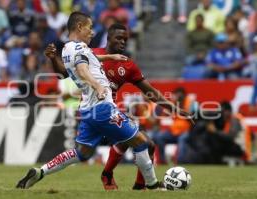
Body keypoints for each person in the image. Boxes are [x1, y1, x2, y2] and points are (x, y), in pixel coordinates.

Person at [16, 11, 172, 190]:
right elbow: (83, 69)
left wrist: (110, 57)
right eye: (89, 28)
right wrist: (98, 86)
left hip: (87, 110)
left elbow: (82, 61)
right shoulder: (81, 48)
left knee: (82, 153)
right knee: (141, 142)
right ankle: (153, 186)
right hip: (102, 108)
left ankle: (41, 171)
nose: (92, 32)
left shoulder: (68, 48)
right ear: (80, 27)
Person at [43, 23, 194, 190]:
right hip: (94, 111)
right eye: (119, 38)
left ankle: (132, 183)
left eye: (126, 39)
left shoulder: (127, 65)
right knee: (139, 142)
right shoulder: (90, 53)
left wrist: (174, 109)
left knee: (138, 143)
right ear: (108, 38)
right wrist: (53, 58)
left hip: (107, 111)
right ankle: (140, 183)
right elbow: (63, 73)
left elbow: (150, 92)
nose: (123, 42)